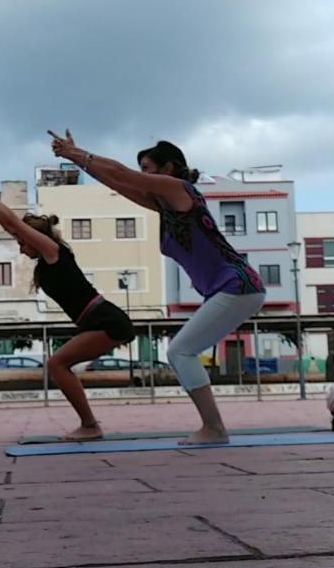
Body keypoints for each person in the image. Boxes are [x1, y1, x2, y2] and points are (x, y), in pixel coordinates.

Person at [49, 130, 266, 445]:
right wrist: (80, 161)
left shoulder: (181, 190)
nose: (142, 175)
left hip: (238, 284)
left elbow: (123, 174)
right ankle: (213, 428)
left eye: (147, 168)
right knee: (182, 351)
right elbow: (117, 182)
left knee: (180, 351)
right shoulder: (164, 206)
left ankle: (214, 429)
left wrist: (76, 153)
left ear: (167, 169)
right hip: (230, 289)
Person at [0, 169, 134, 441]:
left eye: (23, 243)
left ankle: (90, 426)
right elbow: (11, 226)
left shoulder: (52, 250)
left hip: (105, 319)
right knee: (59, 365)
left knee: (57, 365)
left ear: (35, 238)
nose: (20, 248)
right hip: (95, 320)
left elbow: (14, 222)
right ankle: (89, 424)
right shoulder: (46, 257)